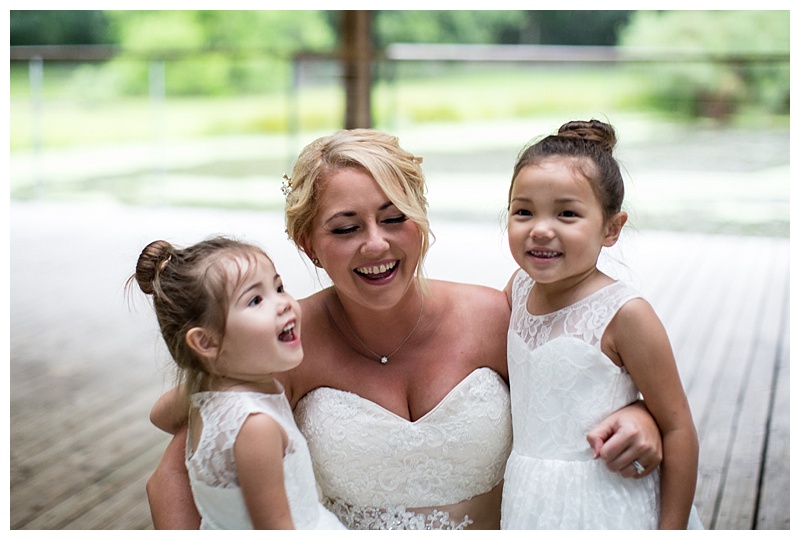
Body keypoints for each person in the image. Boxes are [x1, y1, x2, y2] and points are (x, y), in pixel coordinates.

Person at [146, 129, 665, 530]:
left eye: (395, 219)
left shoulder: (494, 317)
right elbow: (173, 473)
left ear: (420, 219)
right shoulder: (280, 344)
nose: (376, 244)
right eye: (346, 228)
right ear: (308, 244)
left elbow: (579, 385)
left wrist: (640, 414)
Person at [500, 120, 699, 529]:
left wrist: (673, 531)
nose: (540, 229)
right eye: (523, 211)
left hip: (604, 503)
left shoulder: (625, 314)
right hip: (529, 499)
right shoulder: (517, 290)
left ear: (611, 228)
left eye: (567, 214)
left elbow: (678, 428)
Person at [131, 237, 345, 530]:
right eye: (255, 300)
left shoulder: (205, 400)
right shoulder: (256, 426)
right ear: (206, 341)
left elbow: (158, 415)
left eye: (279, 287)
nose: (283, 304)